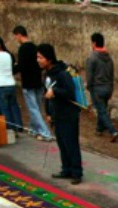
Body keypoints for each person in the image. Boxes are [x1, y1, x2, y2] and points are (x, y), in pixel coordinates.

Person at [38, 43, 83, 185]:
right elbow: (46, 94)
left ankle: (76, 172)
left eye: (40, 57)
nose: (38, 60)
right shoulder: (47, 74)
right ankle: (66, 169)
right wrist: (48, 113)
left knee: (70, 143)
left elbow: (69, 92)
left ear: (49, 59)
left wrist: (55, 91)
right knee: (62, 143)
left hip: (68, 114)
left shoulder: (62, 73)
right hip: (56, 113)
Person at [12, 25, 51, 142]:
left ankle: (45, 132)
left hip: (28, 82)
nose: (15, 39)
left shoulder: (23, 49)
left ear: (19, 35)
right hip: (37, 81)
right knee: (37, 107)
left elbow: (22, 66)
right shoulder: (35, 47)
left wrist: (13, 69)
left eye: (15, 36)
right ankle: (34, 128)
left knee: (33, 108)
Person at [85, 32, 117, 141]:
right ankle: (99, 128)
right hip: (108, 87)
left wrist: (89, 86)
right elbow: (112, 75)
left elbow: (89, 75)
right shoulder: (109, 58)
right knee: (102, 109)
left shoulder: (92, 57)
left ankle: (112, 131)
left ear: (94, 43)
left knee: (102, 111)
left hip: (97, 88)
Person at [0, 35, 22, 133]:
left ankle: (10, 128)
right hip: (11, 83)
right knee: (14, 105)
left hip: (1, 85)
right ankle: (19, 125)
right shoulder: (8, 55)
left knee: (4, 107)